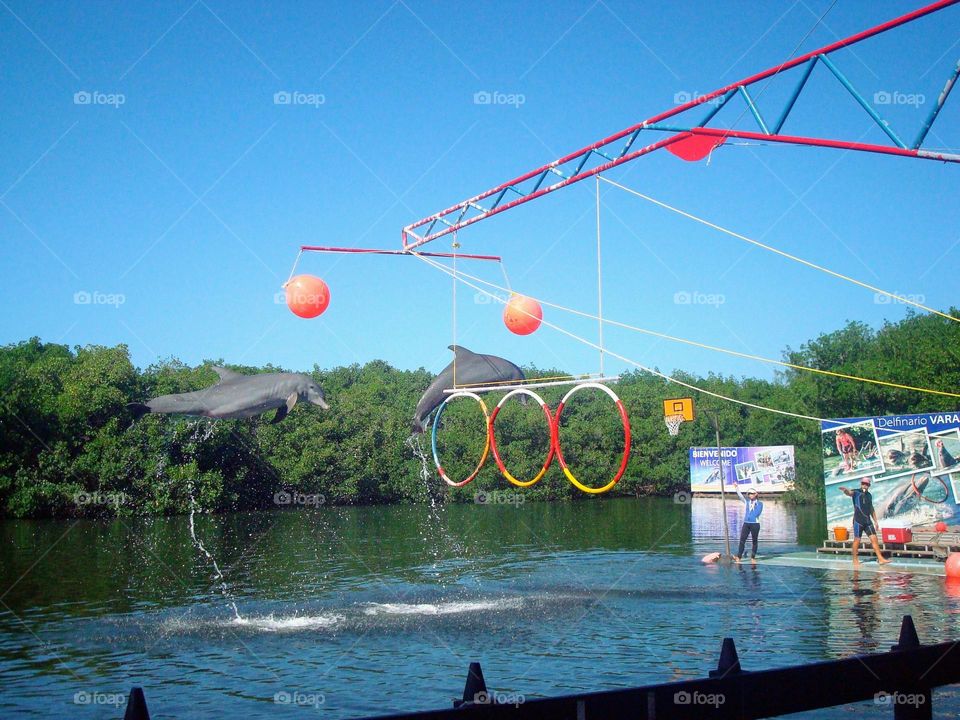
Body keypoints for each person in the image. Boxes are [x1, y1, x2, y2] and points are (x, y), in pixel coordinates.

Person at [840, 478, 891, 566]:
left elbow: (871, 508)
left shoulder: (869, 495)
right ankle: (855, 559)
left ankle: (880, 558)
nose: (865, 485)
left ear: (869, 485)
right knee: (857, 540)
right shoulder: (856, 492)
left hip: (868, 521)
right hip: (858, 521)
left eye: (866, 484)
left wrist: (876, 521)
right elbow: (849, 493)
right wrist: (845, 491)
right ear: (861, 484)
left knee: (874, 539)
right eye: (863, 483)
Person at [733, 483, 763, 564]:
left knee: (754, 541)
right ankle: (739, 556)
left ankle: (753, 557)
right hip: (746, 523)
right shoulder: (746, 502)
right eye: (749, 494)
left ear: (756, 494)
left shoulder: (760, 504)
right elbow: (740, 496)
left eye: (752, 494)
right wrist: (736, 488)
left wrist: (753, 505)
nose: (750, 495)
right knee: (742, 540)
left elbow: (757, 513)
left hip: (755, 524)